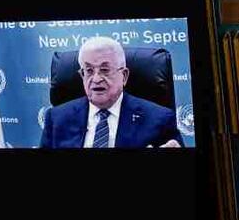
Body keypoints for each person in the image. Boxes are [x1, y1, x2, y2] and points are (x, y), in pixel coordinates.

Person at [39, 36, 182, 149]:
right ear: (82, 75)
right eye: (89, 71)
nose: (96, 79)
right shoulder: (56, 119)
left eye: (105, 70)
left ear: (124, 76)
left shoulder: (160, 120)